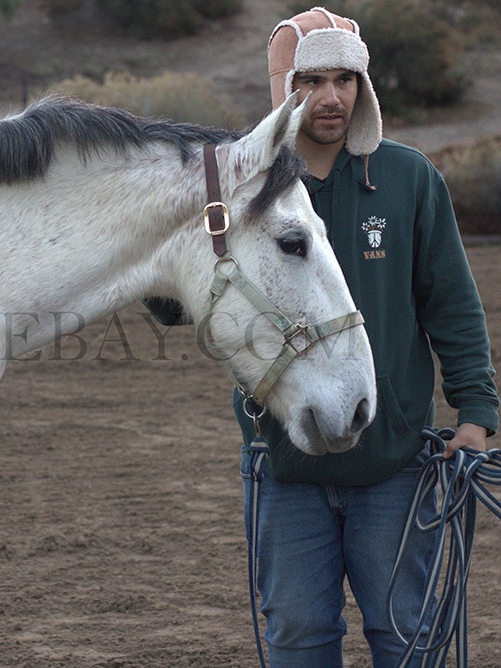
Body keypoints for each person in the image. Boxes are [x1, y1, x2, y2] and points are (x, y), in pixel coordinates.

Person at [237, 7, 498, 667]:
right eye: (313, 80)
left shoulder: (410, 180)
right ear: (287, 90)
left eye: (345, 80)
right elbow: (179, 300)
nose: (332, 97)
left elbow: (452, 306)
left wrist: (476, 413)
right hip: (285, 462)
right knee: (296, 638)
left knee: (406, 635)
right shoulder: (245, 190)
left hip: (395, 462)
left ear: (364, 87)